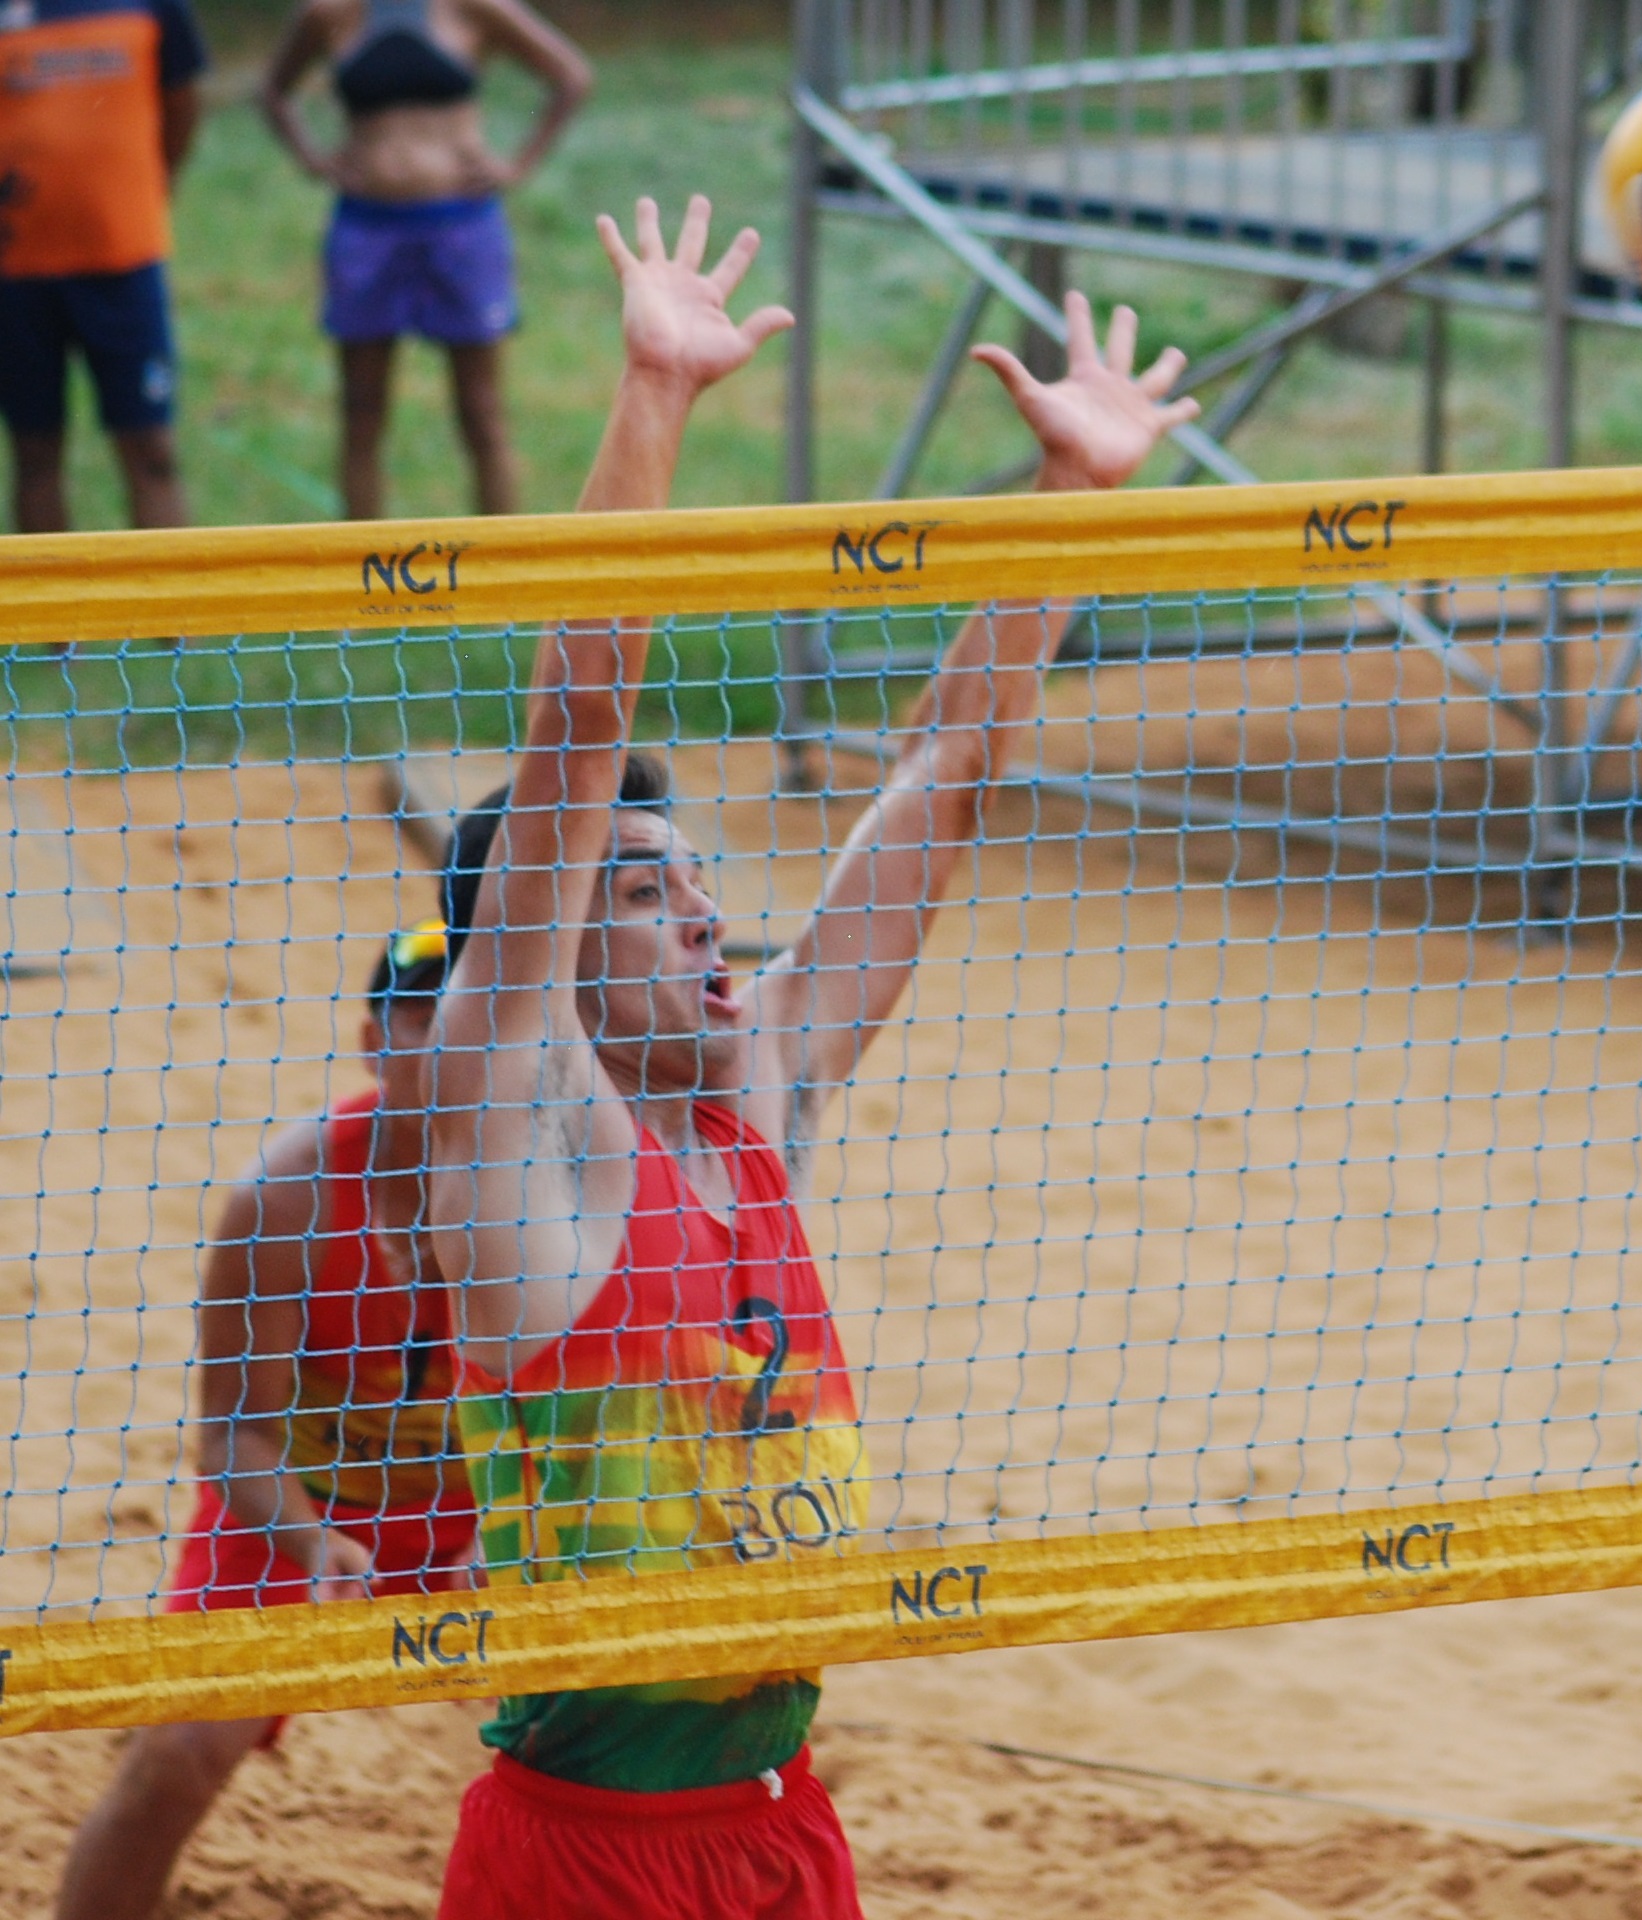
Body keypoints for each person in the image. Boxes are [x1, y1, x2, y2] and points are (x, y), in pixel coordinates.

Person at [419, 193, 1194, 1920]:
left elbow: (946, 779)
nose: (706, 917)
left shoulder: (757, 1093)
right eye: (643, 893)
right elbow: (573, 736)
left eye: (700, 883)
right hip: (581, 1853)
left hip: (784, 1821)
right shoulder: (510, 1133)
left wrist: (1074, 503)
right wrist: (654, 398)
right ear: (536, 959)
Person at [52, 922, 477, 1920]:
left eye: (473, 1015)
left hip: (490, 1513)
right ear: (377, 1039)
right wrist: (309, 1540)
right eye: (422, 1017)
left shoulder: (572, 1187)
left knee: (621, 1744)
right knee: (180, 1754)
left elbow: (594, 1420)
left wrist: (523, 1530)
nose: (449, 1042)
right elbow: (233, 1434)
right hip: (302, 1508)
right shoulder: (287, 1196)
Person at [261, 0, 592, 519]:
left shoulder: (476, 9)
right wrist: (313, 159)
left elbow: (571, 76)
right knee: (362, 412)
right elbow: (273, 92)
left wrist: (517, 166)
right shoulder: (327, 15)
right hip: (367, 228)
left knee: (482, 414)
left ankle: (504, 581)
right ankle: (365, 582)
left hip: (461, 226)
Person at [0, 0, 205, 534]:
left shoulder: (153, 7)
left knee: (152, 451)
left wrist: (142, 193)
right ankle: (53, 618)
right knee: (34, 452)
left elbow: (181, 103)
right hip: (17, 271)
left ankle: (172, 616)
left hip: (124, 264)